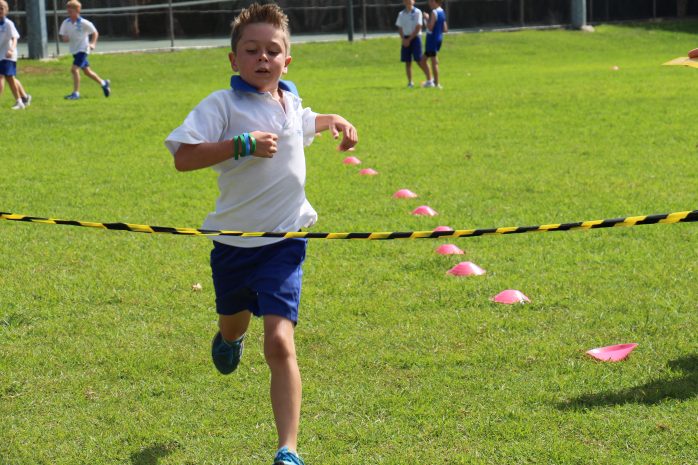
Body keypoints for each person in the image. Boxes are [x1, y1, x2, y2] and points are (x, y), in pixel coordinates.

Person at [165, 3, 358, 464]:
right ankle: (229, 338)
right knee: (235, 322)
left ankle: (287, 449)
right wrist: (241, 144)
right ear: (234, 59)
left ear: (287, 61)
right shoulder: (223, 104)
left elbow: (301, 122)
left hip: (286, 244)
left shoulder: (288, 99)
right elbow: (183, 157)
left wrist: (334, 121)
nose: (263, 58)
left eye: (273, 51)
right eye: (251, 50)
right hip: (233, 246)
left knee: (279, 342)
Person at [58, 0, 110, 100]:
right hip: (74, 50)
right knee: (87, 72)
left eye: (71, 10)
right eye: (68, 10)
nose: (69, 12)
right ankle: (104, 83)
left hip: (83, 49)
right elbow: (63, 36)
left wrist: (92, 44)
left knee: (74, 70)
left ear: (78, 10)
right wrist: (65, 38)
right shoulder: (66, 22)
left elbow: (95, 33)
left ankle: (75, 93)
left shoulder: (84, 23)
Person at [0, 0, 31, 110]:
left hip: (8, 55)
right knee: (10, 78)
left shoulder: (8, 23)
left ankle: (19, 102)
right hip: (1, 55)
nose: (0, 10)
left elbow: (15, 38)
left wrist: (11, 49)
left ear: (7, 10)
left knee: (3, 77)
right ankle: (24, 98)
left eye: (2, 8)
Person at [395, 0, 430, 88]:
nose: (408, 1)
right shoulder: (401, 14)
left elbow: (418, 27)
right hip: (405, 38)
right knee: (407, 61)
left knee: (419, 60)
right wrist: (403, 39)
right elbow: (399, 27)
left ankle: (430, 79)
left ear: (414, 1)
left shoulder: (417, 12)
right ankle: (410, 82)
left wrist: (409, 39)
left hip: (415, 38)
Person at [420, 0, 448, 89]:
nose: (429, 3)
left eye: (432, 1)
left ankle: (436, 84)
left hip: (432, 39)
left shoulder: (434, 12)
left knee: (434, 62)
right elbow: (445, 29)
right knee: (423, 61)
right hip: (438, 39)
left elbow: (430, 27)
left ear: (437, 2)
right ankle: (430, 81)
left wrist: (426, 18)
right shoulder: (442, 11)